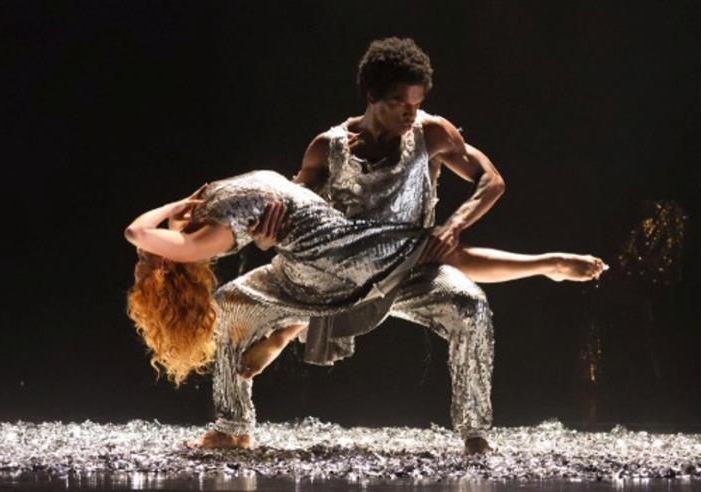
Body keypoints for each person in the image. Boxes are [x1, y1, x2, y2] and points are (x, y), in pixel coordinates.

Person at [200, 37, 523, 454]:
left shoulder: (431, 134)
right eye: (398, 103)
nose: (410, 113)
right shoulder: (328, 147)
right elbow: (294, 211)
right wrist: (267, 236)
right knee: (228, 304)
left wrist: (453, 225)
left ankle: (475, 433)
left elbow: (491, 180)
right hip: (334, 276)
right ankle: (232, 425)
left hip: (406, 271)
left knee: (470, 305)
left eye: (417, 102)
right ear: (372, 97)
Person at [125, 171, 607, 450]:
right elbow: (138, 232)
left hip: (332, 260)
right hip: (316, 266)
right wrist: (177, 206)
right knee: (231, 305)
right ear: (173, 259)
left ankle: (546, 265)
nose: (145, 250)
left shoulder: (205, 214)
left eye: (144, 260)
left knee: (438, 265)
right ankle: (235, 425)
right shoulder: (205, 228)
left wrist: (182, 208)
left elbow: (141, 233)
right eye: (148, 258)